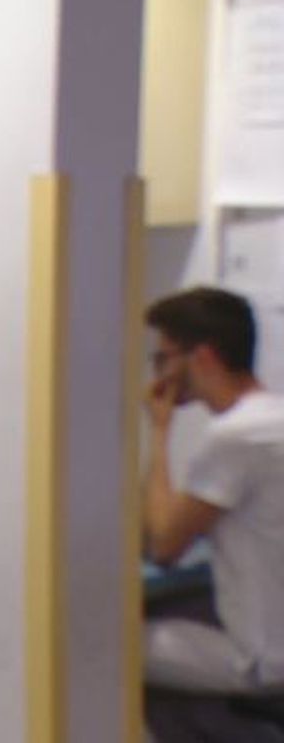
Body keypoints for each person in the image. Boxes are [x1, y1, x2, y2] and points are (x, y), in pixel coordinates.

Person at [142, 287, 284, 706]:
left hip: (263, 661)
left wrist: (159, 432)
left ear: (202, 357)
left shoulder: (233, 437)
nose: (159, 374)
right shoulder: (273, 419)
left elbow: (163, 546)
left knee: (110, 640)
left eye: (163, 359)